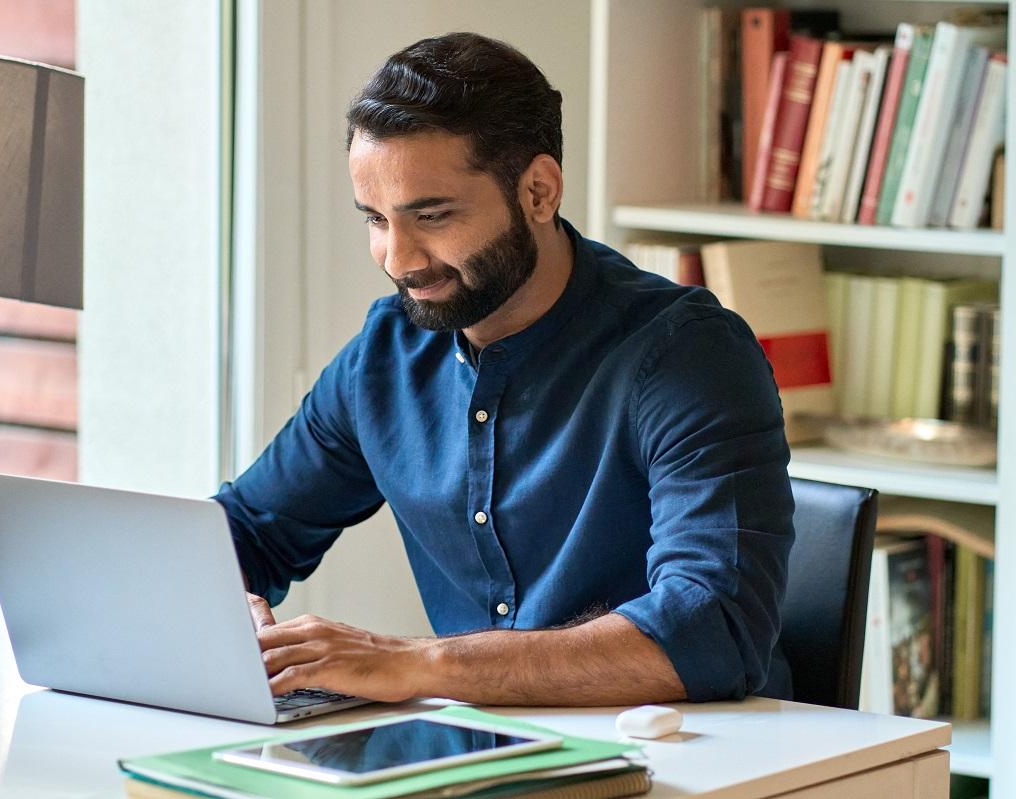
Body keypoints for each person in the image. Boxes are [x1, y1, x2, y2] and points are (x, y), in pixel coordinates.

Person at [215, 31, 794, 706]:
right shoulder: (385, 356)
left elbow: (714, 627)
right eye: (376, 219)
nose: (398, 259)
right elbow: (247, 532)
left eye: (432, 216)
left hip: (688, 757)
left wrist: (418, 664)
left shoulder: (688, 356)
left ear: (539, 191)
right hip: (484, 752)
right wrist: (225, 606)